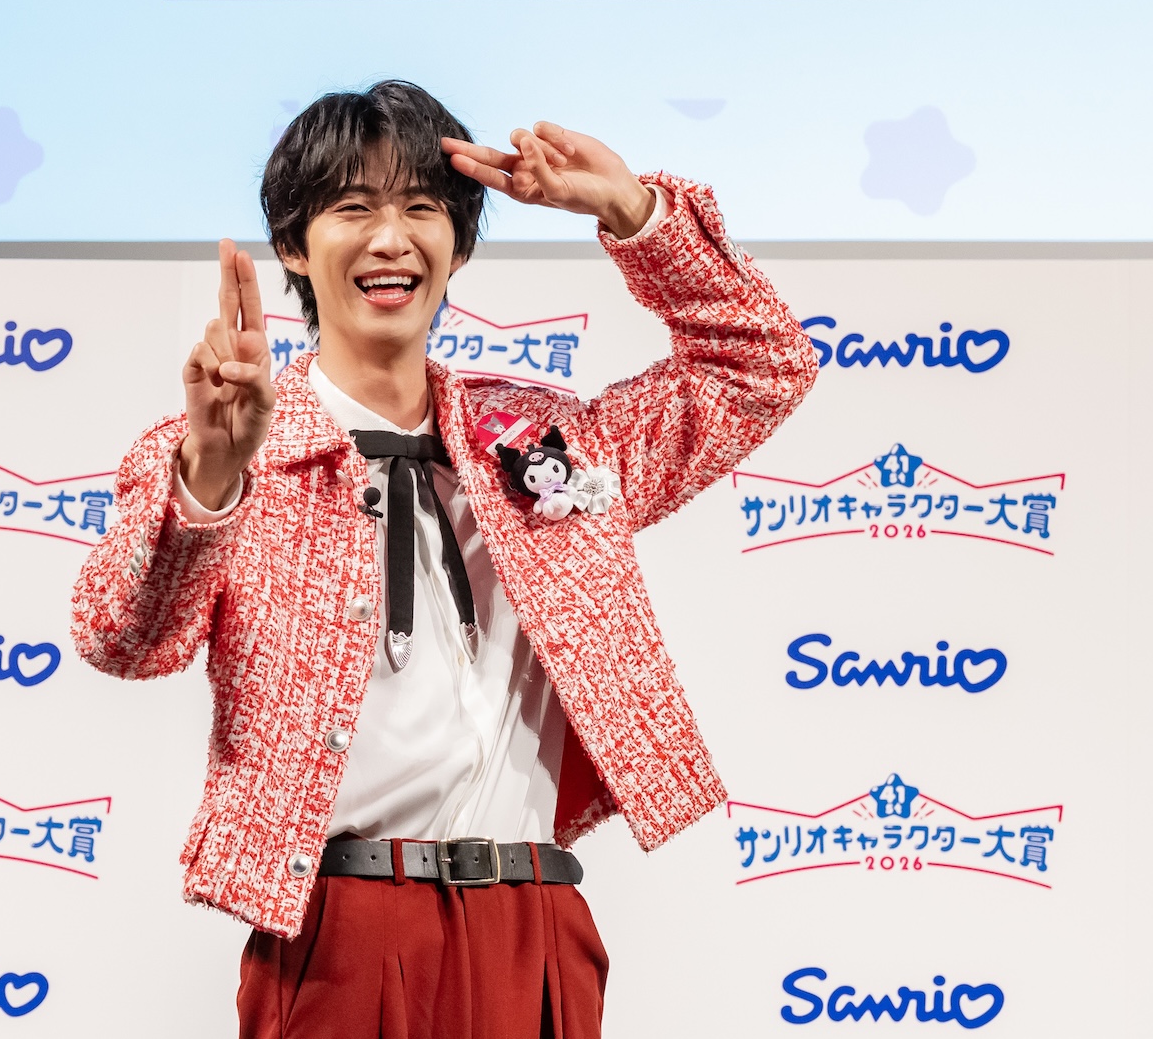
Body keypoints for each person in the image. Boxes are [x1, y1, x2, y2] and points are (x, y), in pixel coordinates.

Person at [71, 80, 819, 1038]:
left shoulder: (546, 440)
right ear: (295, 245)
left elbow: (762, 366)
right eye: (354, 208)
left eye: (422, 208)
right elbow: (122, 639)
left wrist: (634, 212)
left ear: (459, 244)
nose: (392, 239)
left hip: (535, 922)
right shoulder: (225, 452)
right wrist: (211, 476)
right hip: (341, 930)